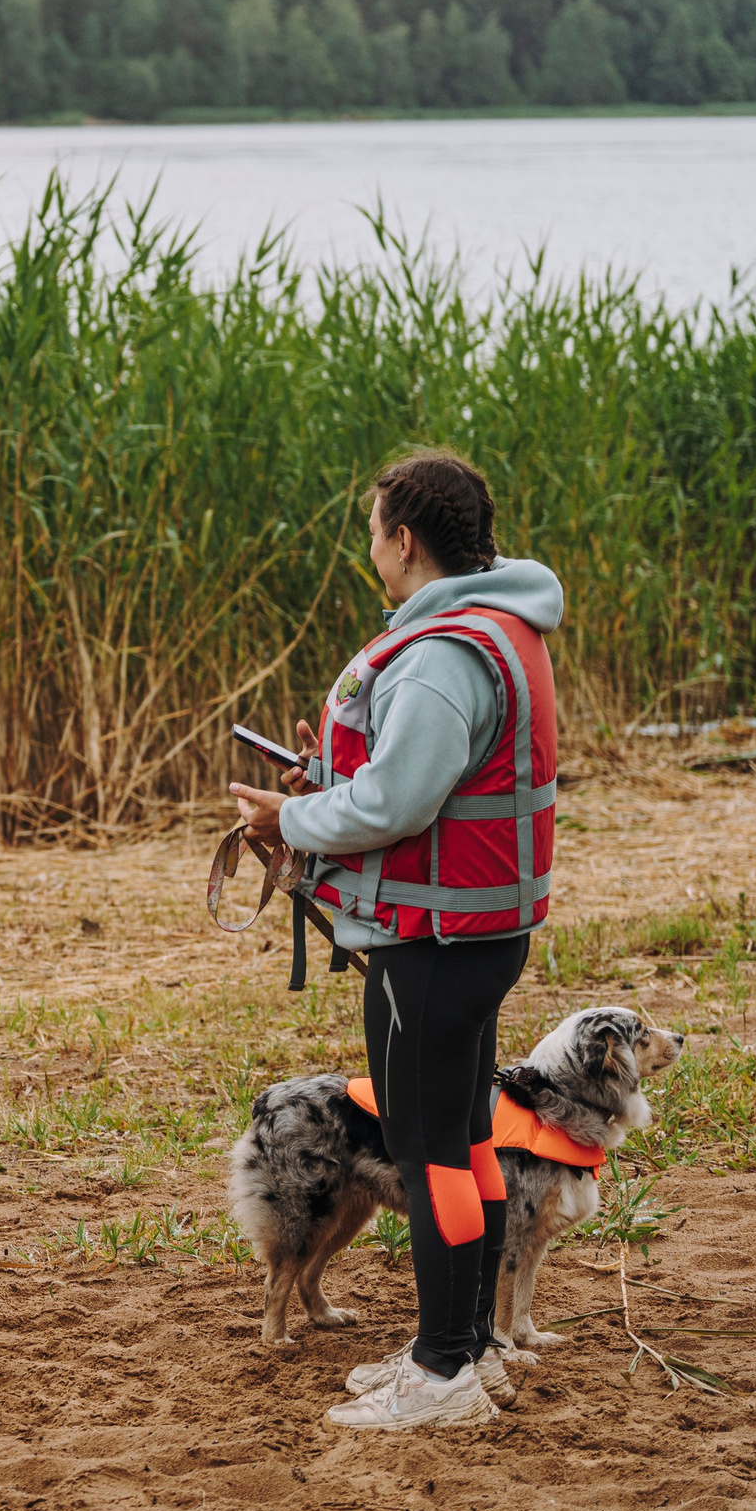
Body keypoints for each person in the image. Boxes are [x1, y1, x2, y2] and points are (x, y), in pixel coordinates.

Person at [231, 451, 563, 1431]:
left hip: (434, 942)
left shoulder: (441, 653)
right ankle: (471, 1345)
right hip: (476, 932)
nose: (371, 548)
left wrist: (290, 818)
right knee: (466, 1142)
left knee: (431, 1157)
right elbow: (426, 781)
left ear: (404, 540)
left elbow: (395, 801)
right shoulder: (504, 626)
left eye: (374, 532)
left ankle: (441, 1369)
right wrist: (325, 785)